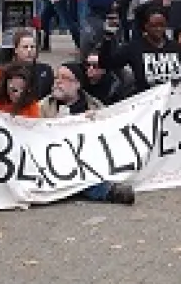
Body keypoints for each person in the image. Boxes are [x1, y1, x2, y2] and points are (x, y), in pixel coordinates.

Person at [39, 62, 134, 204]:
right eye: (56, 78)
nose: (58, 82)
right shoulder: (42, 107)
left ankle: (109, 191)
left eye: (64, 78)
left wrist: (98, 122)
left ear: (77, 84)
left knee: (86, 174)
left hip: (85, 162)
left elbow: (113, 134)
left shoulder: (94, 106)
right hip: (53, 161)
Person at [99, 2, 181, 93]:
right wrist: (107, 38)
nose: (158, 29)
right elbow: (106, 63)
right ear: (146, 26)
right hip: (148, 102)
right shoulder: (134, 47)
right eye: (154, 26)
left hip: (175, 100)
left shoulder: (175, 47)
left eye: (162, 25)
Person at [9, 29, 54, 100]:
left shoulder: (46, 69)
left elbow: (50, 96)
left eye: (32, 47)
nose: (29, 50)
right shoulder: (8, 71)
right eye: (25, 47)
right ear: (16, 50)